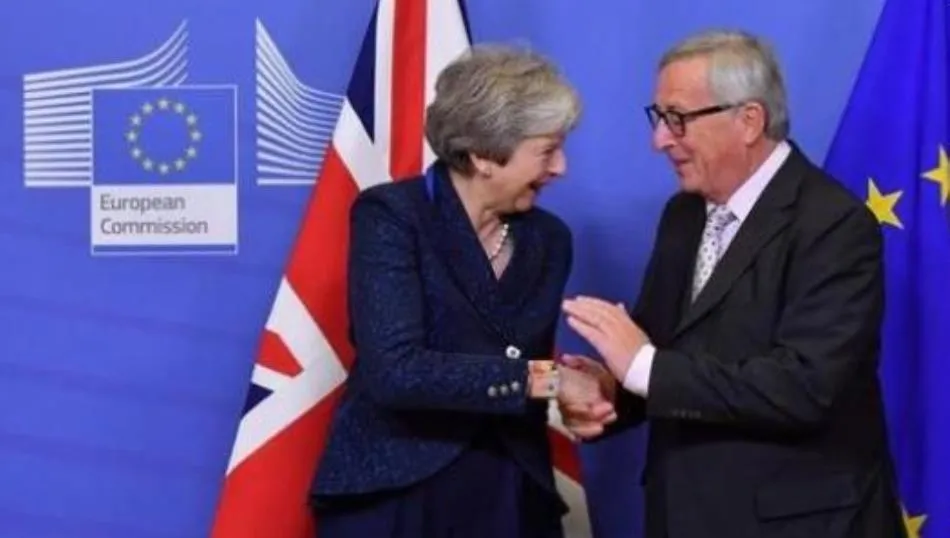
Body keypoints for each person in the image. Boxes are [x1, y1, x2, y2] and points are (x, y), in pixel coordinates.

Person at [559, 30, 906, 538]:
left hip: (800, 525)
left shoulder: (834, 224)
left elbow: (804, 387)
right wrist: (611, 392)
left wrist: (642, 367)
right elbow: (667, 358)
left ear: (749, 120)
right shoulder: (683, 215)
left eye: (678, 118)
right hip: (682, 515)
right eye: (659, 118)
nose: (660, 140)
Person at [309, 45, 613, 538]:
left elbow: (516, 366)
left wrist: (574, 401)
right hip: (398, 486)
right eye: (546, 151)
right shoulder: (393, 216)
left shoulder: (549, 239)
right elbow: (397, 372)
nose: (560, 168)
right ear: (484, 156)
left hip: (510, 484)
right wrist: (550, 380)